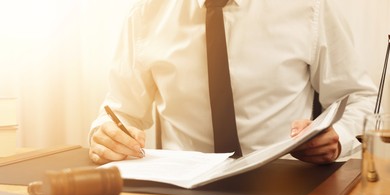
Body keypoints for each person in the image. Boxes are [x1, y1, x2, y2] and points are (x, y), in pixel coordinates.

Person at [89, 0, 377, 165]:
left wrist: (338, 135)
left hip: (285, 187)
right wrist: (106, 135)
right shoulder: (145, 15)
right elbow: (121, 112)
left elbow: (358, 98)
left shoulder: (308, 7)